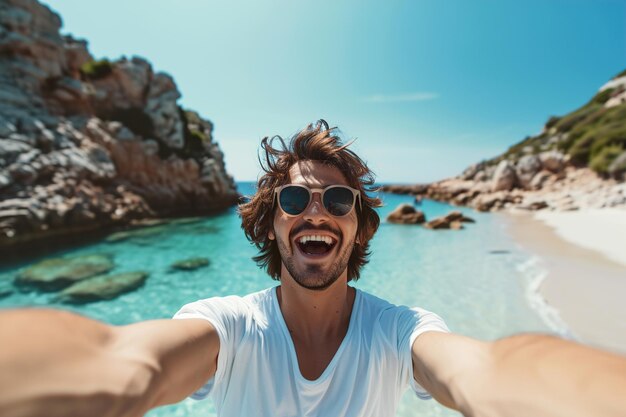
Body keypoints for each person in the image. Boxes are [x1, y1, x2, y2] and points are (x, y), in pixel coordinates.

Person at [1, 120, 626, 417]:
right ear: (272, 223)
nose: (315, 212)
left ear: (357, 229)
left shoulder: (398, 331)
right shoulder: (229, 327)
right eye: (295, 200)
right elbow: (125, 361)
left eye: (338, 201)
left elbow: (484, 371)